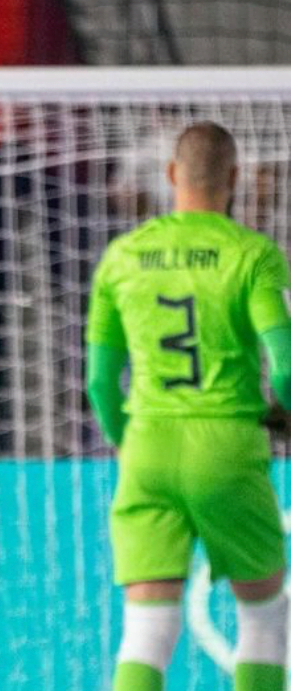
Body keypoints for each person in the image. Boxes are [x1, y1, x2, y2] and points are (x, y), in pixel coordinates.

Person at [86, 121, 291, 691]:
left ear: (172, 175)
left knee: (148, 628)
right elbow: (288, 364)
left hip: (149, 445)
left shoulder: (123, 256)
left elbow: (100, 382)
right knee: (264, 614)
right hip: (226, 443)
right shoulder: (253, 255)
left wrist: (127, 442)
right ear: (236, 178)